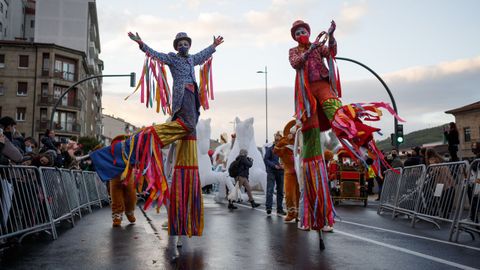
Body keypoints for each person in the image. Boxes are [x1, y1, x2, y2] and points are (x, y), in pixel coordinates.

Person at [90, 31, 223, 236]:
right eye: (181, 42)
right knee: (187, 125)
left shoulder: (192, 59)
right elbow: (156, 55)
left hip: (192, 98)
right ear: (176, 45)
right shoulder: (172, 58)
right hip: (182, 97)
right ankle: (147, 136)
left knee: (189, 135)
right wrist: (141, 43)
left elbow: (203, 55)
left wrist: (214, 45)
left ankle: (183, 220)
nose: (184, 45)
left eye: (187, 42)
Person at [274, 120, 300, 222]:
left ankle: (298, 214)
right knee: (289, 194)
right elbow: (275, 151)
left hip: (299, 173)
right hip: (289, 173)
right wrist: (281, 142)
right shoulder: (285, 146)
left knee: (299, 194)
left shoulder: (300, 146)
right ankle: (291, 213)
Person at [264, 133, 286, 216]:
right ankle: (268, 207)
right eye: (276, 139)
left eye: (279, 139)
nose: (277, 141)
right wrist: (274, 165)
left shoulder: (284, 149)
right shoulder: (270, 149)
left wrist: (285, 165)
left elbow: (287, 159)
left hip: (281, 172)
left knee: (280, 191)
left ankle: (279, 209)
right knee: (270, 189)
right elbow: (266, 159)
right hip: (272, 171)